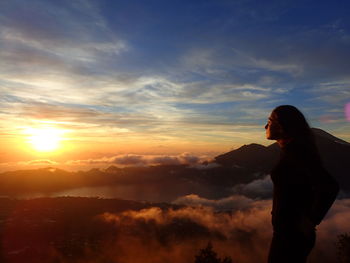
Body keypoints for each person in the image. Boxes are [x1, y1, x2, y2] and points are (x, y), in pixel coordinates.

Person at [265, 105, 339, 263]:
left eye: (269, 121)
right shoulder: (291, 150)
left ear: (283, 125)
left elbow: (330, 186)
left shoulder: (297, 153)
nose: (265, 126)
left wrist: (312, 219)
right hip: (287, 234)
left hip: (291, 236)